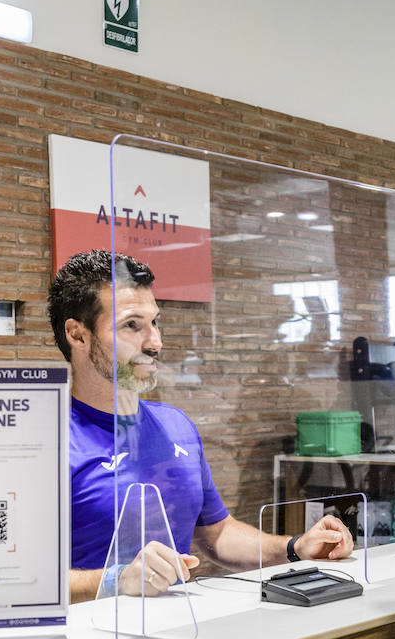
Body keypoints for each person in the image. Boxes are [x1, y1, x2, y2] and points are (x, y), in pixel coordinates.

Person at [49, 249, 354, 602]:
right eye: (132, 325)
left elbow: (218, 534)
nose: (155, 342)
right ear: (78, 335)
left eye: (155, 322)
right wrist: (116, 581)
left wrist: (295, 546)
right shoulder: (50, 442)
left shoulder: (175, 425)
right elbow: (17, 578)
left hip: (180, 635)